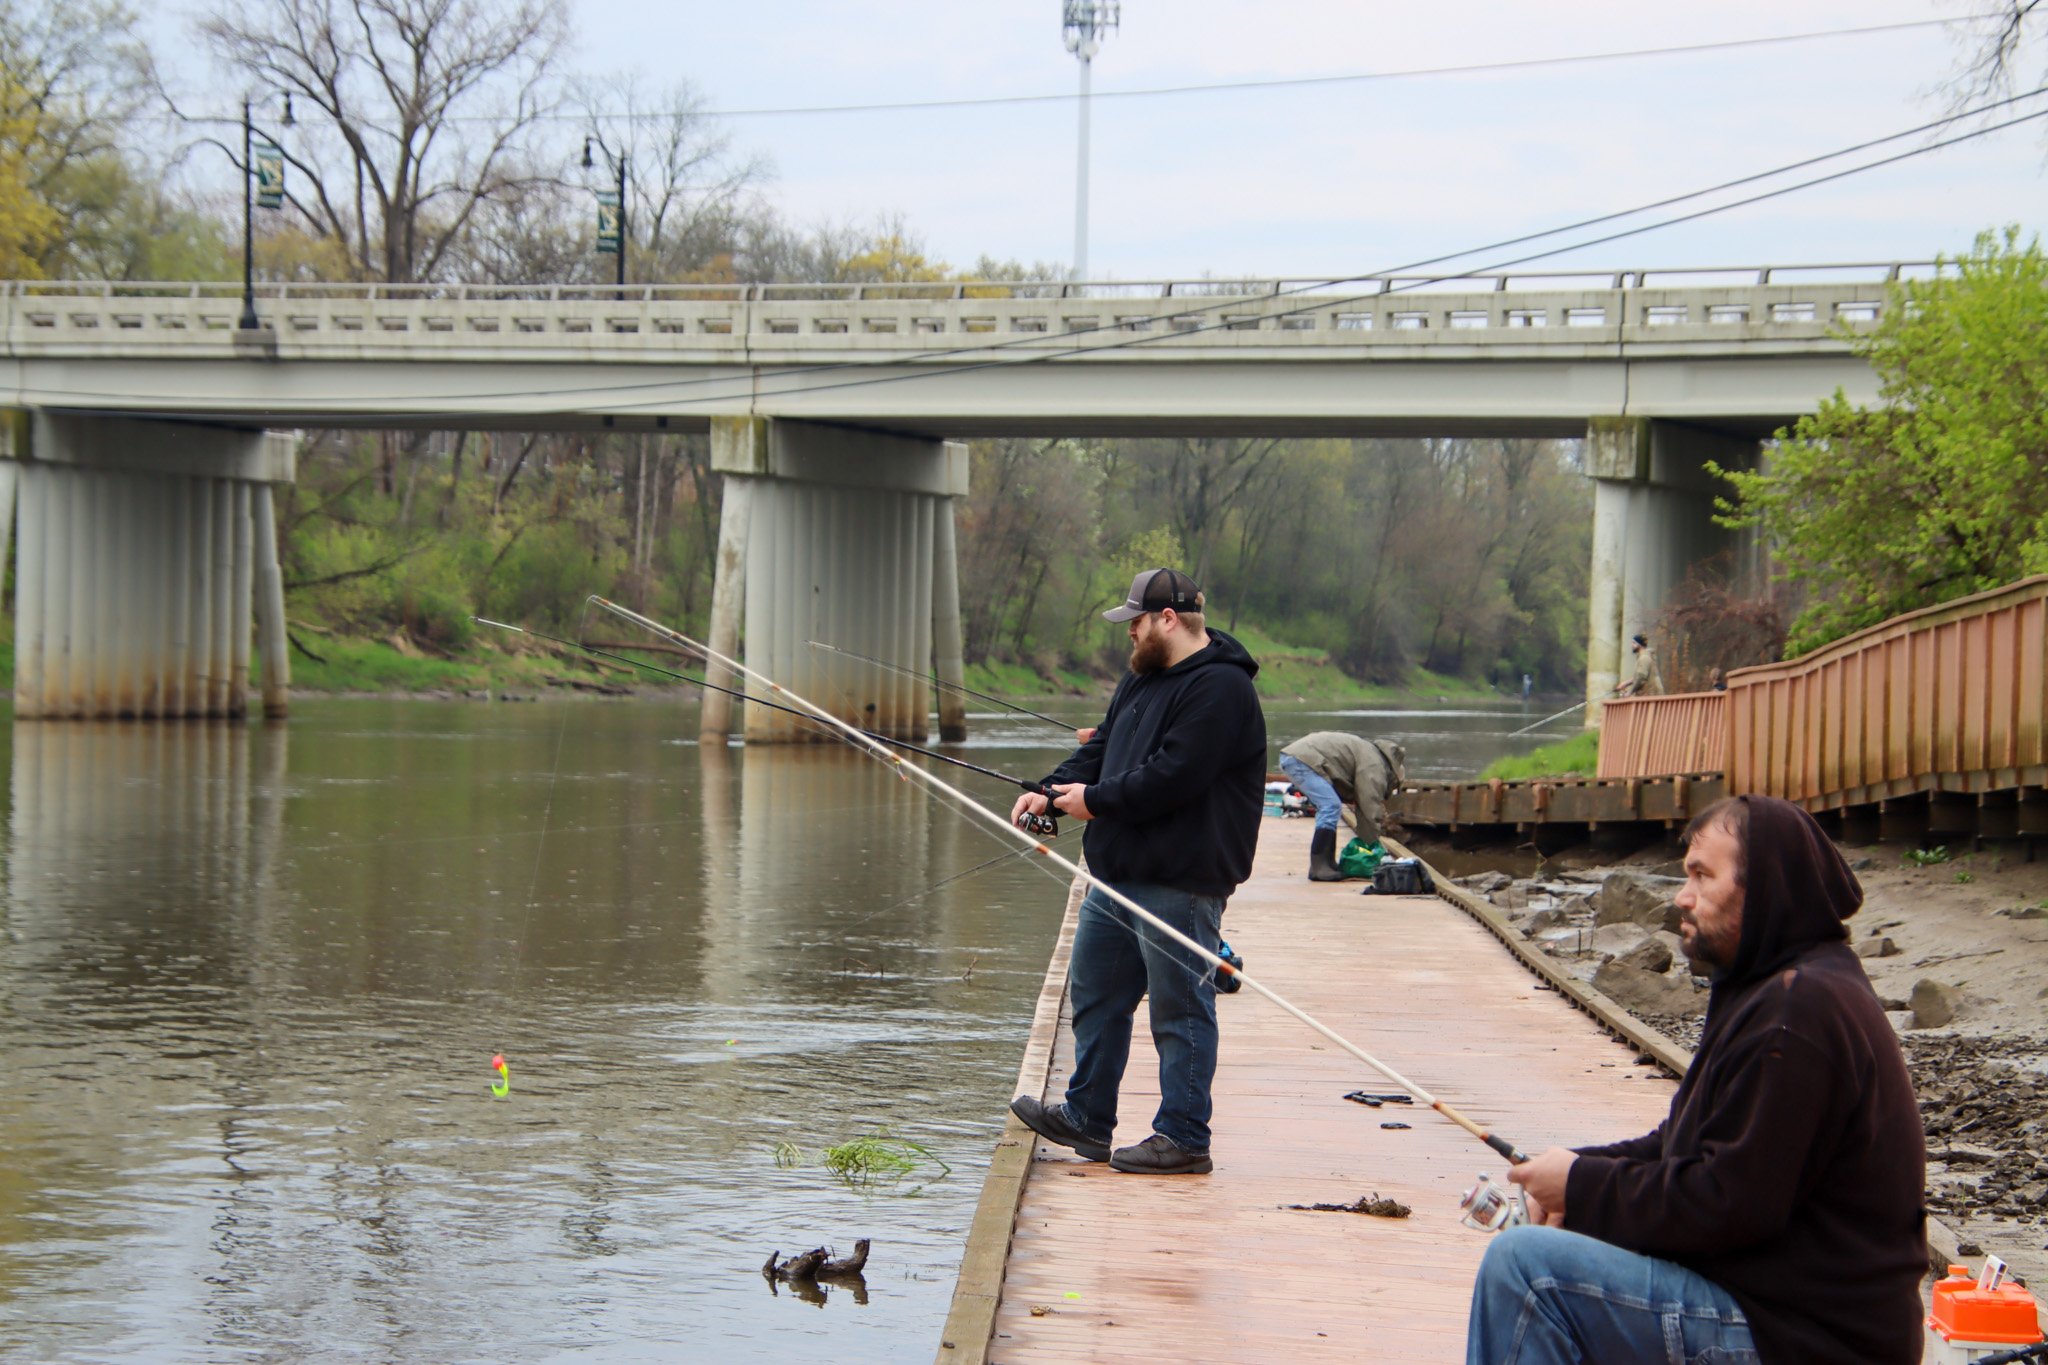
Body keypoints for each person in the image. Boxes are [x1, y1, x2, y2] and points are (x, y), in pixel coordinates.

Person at [1465, 794, 1927, 1365]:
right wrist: (1571, 1178)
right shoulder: (1777, 987)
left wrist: (1583, 1186)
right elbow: (1680, 1147)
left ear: (1766, 890)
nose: (1682, 898)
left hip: (1804, 1339)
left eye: (1703, 877)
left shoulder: (1799, 1013)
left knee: (1525, 1271)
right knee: (1549, 1246)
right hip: (1771, 1313)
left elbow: (1728, 1205)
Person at [1007, 568, 1266, 1176]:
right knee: (1095, 996)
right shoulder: (1140, 680)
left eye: (1137, 623)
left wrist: (1093, 802)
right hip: (1115, 872)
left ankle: (1183, 1137)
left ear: (1167, 621)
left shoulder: (1222, 690)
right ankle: (1087, 1119)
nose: (1130, 636)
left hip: (1182, 877)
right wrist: (1049, 790)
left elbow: (1176, 776)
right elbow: (1101, 751)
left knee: (1179, 1011)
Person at [1277, 732, 1407, 881]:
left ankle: (1328, 863)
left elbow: (1358, 799)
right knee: (1330, 807)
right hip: (1302, 760)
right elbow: (1369, 807)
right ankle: (1319, 867)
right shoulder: (1375, 765)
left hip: (1296, 757)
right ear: (1392, 776)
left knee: (1331, 806)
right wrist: (1372, 846)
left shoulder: (1370, 754)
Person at [1619, 632, 1664, 697]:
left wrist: (1629, 693)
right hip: (1649, 696)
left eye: (1634, 643)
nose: (1632, 645)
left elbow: (1641, 679)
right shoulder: (1645, 656)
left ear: (1639, 645)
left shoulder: (1644, 658)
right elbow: (1640, 676)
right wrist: (1625, 683)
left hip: (1651, 696)